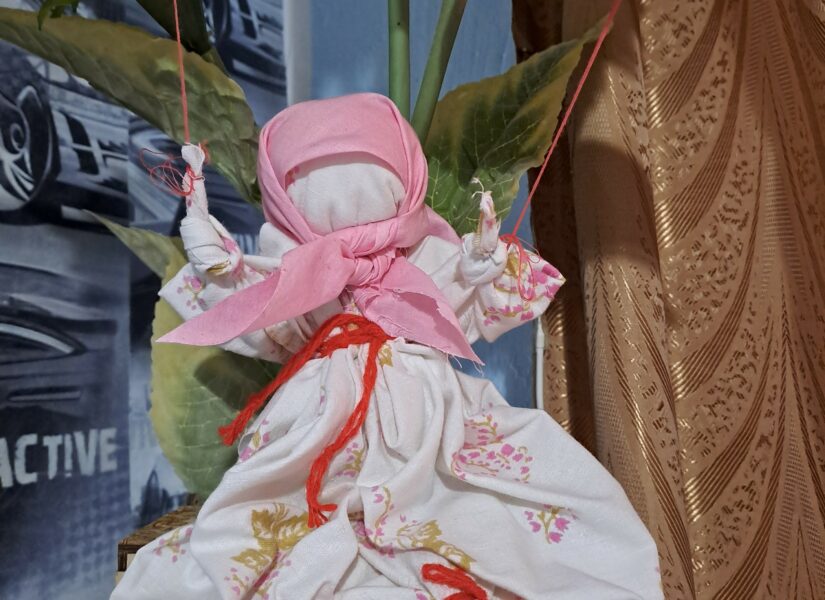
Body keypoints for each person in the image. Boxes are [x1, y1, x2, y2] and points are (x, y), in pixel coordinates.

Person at [112, 93, 662, 600]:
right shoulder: (301, 273)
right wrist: (224, 272)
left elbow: (460, 301)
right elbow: (267, 320)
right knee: (279, 497)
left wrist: (476, 273)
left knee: (480, 481)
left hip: (424, 402)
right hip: (321, 408)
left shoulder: (421, 257)